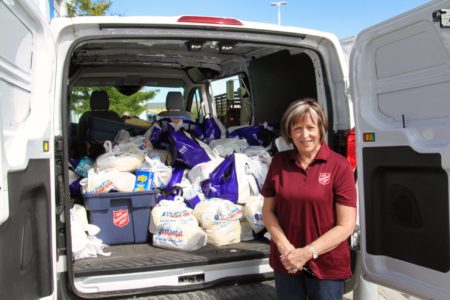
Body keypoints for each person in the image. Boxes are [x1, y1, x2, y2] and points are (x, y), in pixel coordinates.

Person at [262, 98, 357, 300]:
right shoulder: (279, 162)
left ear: (321, 128)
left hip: (327, 265)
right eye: (297, 128)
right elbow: (268, 211)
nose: (304, 135)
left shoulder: (339, 166)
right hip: (286, 262)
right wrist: (286, 248)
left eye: (310, 127)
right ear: (289, 133)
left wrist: (307, 252)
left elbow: (346, 225)